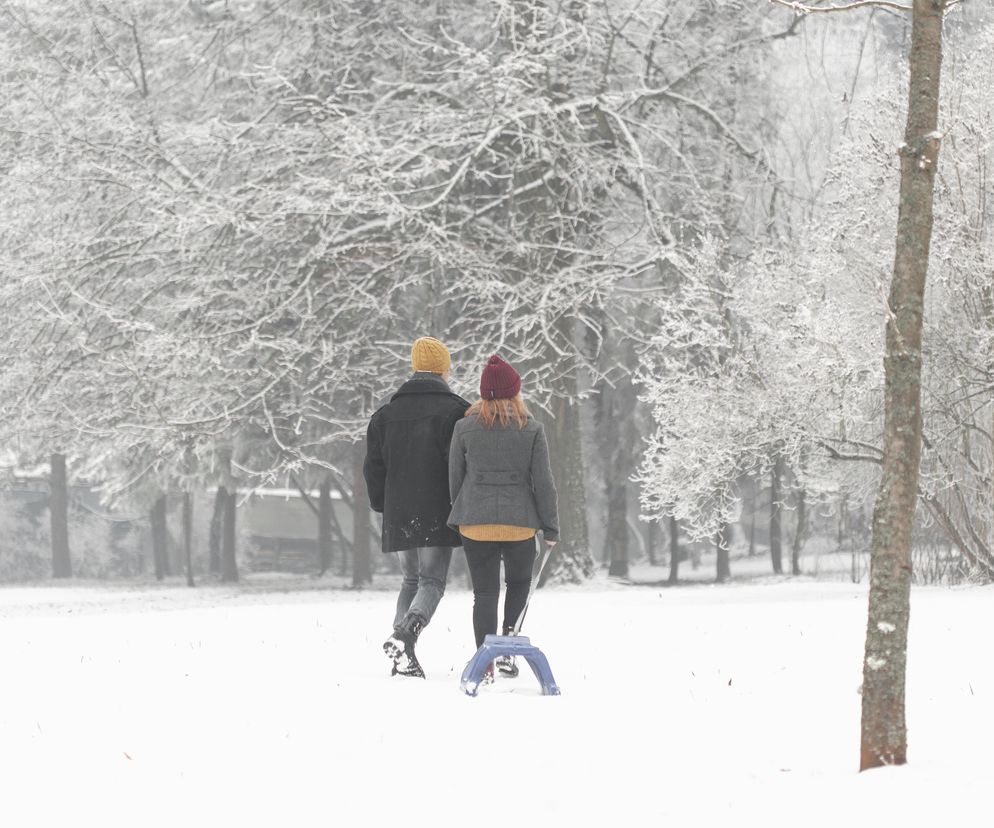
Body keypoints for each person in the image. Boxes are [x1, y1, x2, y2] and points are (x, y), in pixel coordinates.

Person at [447, 354, 559, 680]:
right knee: (518, 584)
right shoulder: (531, 429)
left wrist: (463, 508)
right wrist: (550, 526)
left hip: (475, 522)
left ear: (483, 392)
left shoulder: (464, 428)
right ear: (515, 392)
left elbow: (455, 477)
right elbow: (544, 482)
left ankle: (485, 663)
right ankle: (508, 648)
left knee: (484, 593)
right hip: (519, 524)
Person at [364, 336, 469, 678]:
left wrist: (382, 505)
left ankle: (400, 650)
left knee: (410, 579)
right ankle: (405, 635)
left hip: (398, 511)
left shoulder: (385, 415)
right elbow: (461, 464)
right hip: (437, 509)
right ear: (443, 369)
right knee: (432, 581)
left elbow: (373, 468)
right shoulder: (457, 412)